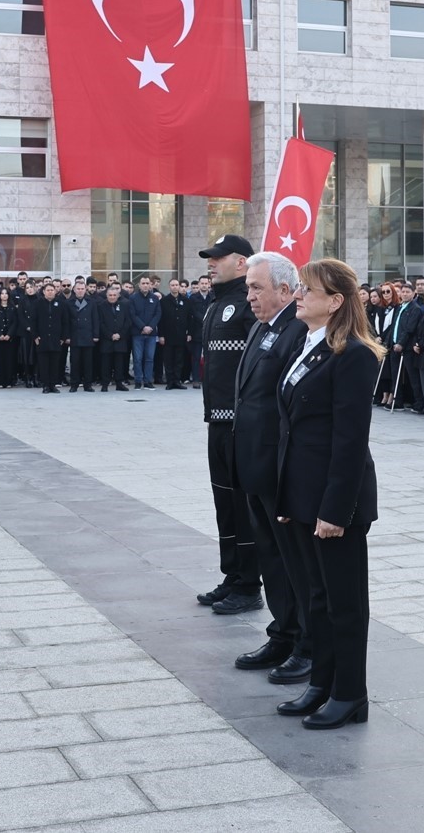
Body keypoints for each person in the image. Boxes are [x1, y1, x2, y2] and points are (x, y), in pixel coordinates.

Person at [274, 257, 382, 729]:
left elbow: (349, 440)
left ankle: (350, 693)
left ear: (335, 301)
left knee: (344, 601)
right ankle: (321, 683)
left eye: (307, 290)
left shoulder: (353, 353)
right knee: (317, 597)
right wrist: (287, 500)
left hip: (336, 499)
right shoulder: (310, 342)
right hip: (303, 494)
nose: (298, 296)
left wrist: (335, 509)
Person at [231, 251, 312, 685]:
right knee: (271, 558)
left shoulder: (296, 331)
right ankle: (282, 632)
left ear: (285, 289)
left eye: (256, 287)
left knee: (292, 560)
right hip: (255, 465)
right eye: (247, 288)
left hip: (278, 469)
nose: (249, 296)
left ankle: (305, 643)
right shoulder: (264, 328)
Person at [196, 235, 260, 613]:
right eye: (210, 258)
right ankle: (232, 575)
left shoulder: (246, 305)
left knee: (241, 505)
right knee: (224, 502)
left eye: (219, 258)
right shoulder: (215, 304)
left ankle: (250, 583)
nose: (211, 263)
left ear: (242, 262)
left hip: (241, 425)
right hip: (217, 423)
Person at [127, 274, 161, 389]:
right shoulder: (133, 298)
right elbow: (132, 314)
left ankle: (147, 381)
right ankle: (138, 381)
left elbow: (158, 314)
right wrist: (143, 327)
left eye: (147, 283)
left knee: (150, 358)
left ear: (150, 285)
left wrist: (150, 327)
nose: (145, 285)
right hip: (138, 333)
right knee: (137, 358)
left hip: (151, 334)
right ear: (139, 285)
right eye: (143, 283)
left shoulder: (155, 298)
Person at [33, 281, 67, 393]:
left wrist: (63, 338)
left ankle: (53, 385)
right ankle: (46, 385)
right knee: (43, 364)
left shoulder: (61, 304)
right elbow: (33, 321)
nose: (50, 292)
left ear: (55, 291)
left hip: (56, 339)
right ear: (43, 292)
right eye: (48, 290)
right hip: (42, 339)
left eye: (52, 290)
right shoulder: (38, 303)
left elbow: (65, 322)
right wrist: (35, 336)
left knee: (54, 363)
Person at [95, 284, 131, 390]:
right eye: (110, 295)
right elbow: (100, 323)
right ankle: (105, 384)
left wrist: (120, 334)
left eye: (114, 295)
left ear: (118, 295)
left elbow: (127, 322)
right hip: (107, 340)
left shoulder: (124, 305)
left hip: (120, 339)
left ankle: (119, 383)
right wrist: (110, 335)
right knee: (106, 363)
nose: (112, 297)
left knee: (119, 363)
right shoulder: (101, 306)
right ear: (107, 295)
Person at [159, 279, 191, 388]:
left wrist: (189, 333)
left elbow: (189, 318)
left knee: (179, 360)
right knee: (168, 360)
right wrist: (161, 335)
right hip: (168, 336)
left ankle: (177, 381)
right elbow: (161, 320)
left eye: (176, 285)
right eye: (172, 285)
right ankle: (170, 382)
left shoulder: (186, 300)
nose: (175, 287)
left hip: (181, 335)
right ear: (169, 287)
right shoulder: (164, 301)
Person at [0, 287, 20, 388]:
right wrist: (0, 334)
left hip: (10, 338)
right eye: (2, 294)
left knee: (9, 360)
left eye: (6, 293)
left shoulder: (13, 307)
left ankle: (8, 381)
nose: (4, 295)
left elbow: (15, 322)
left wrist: (9, 334)